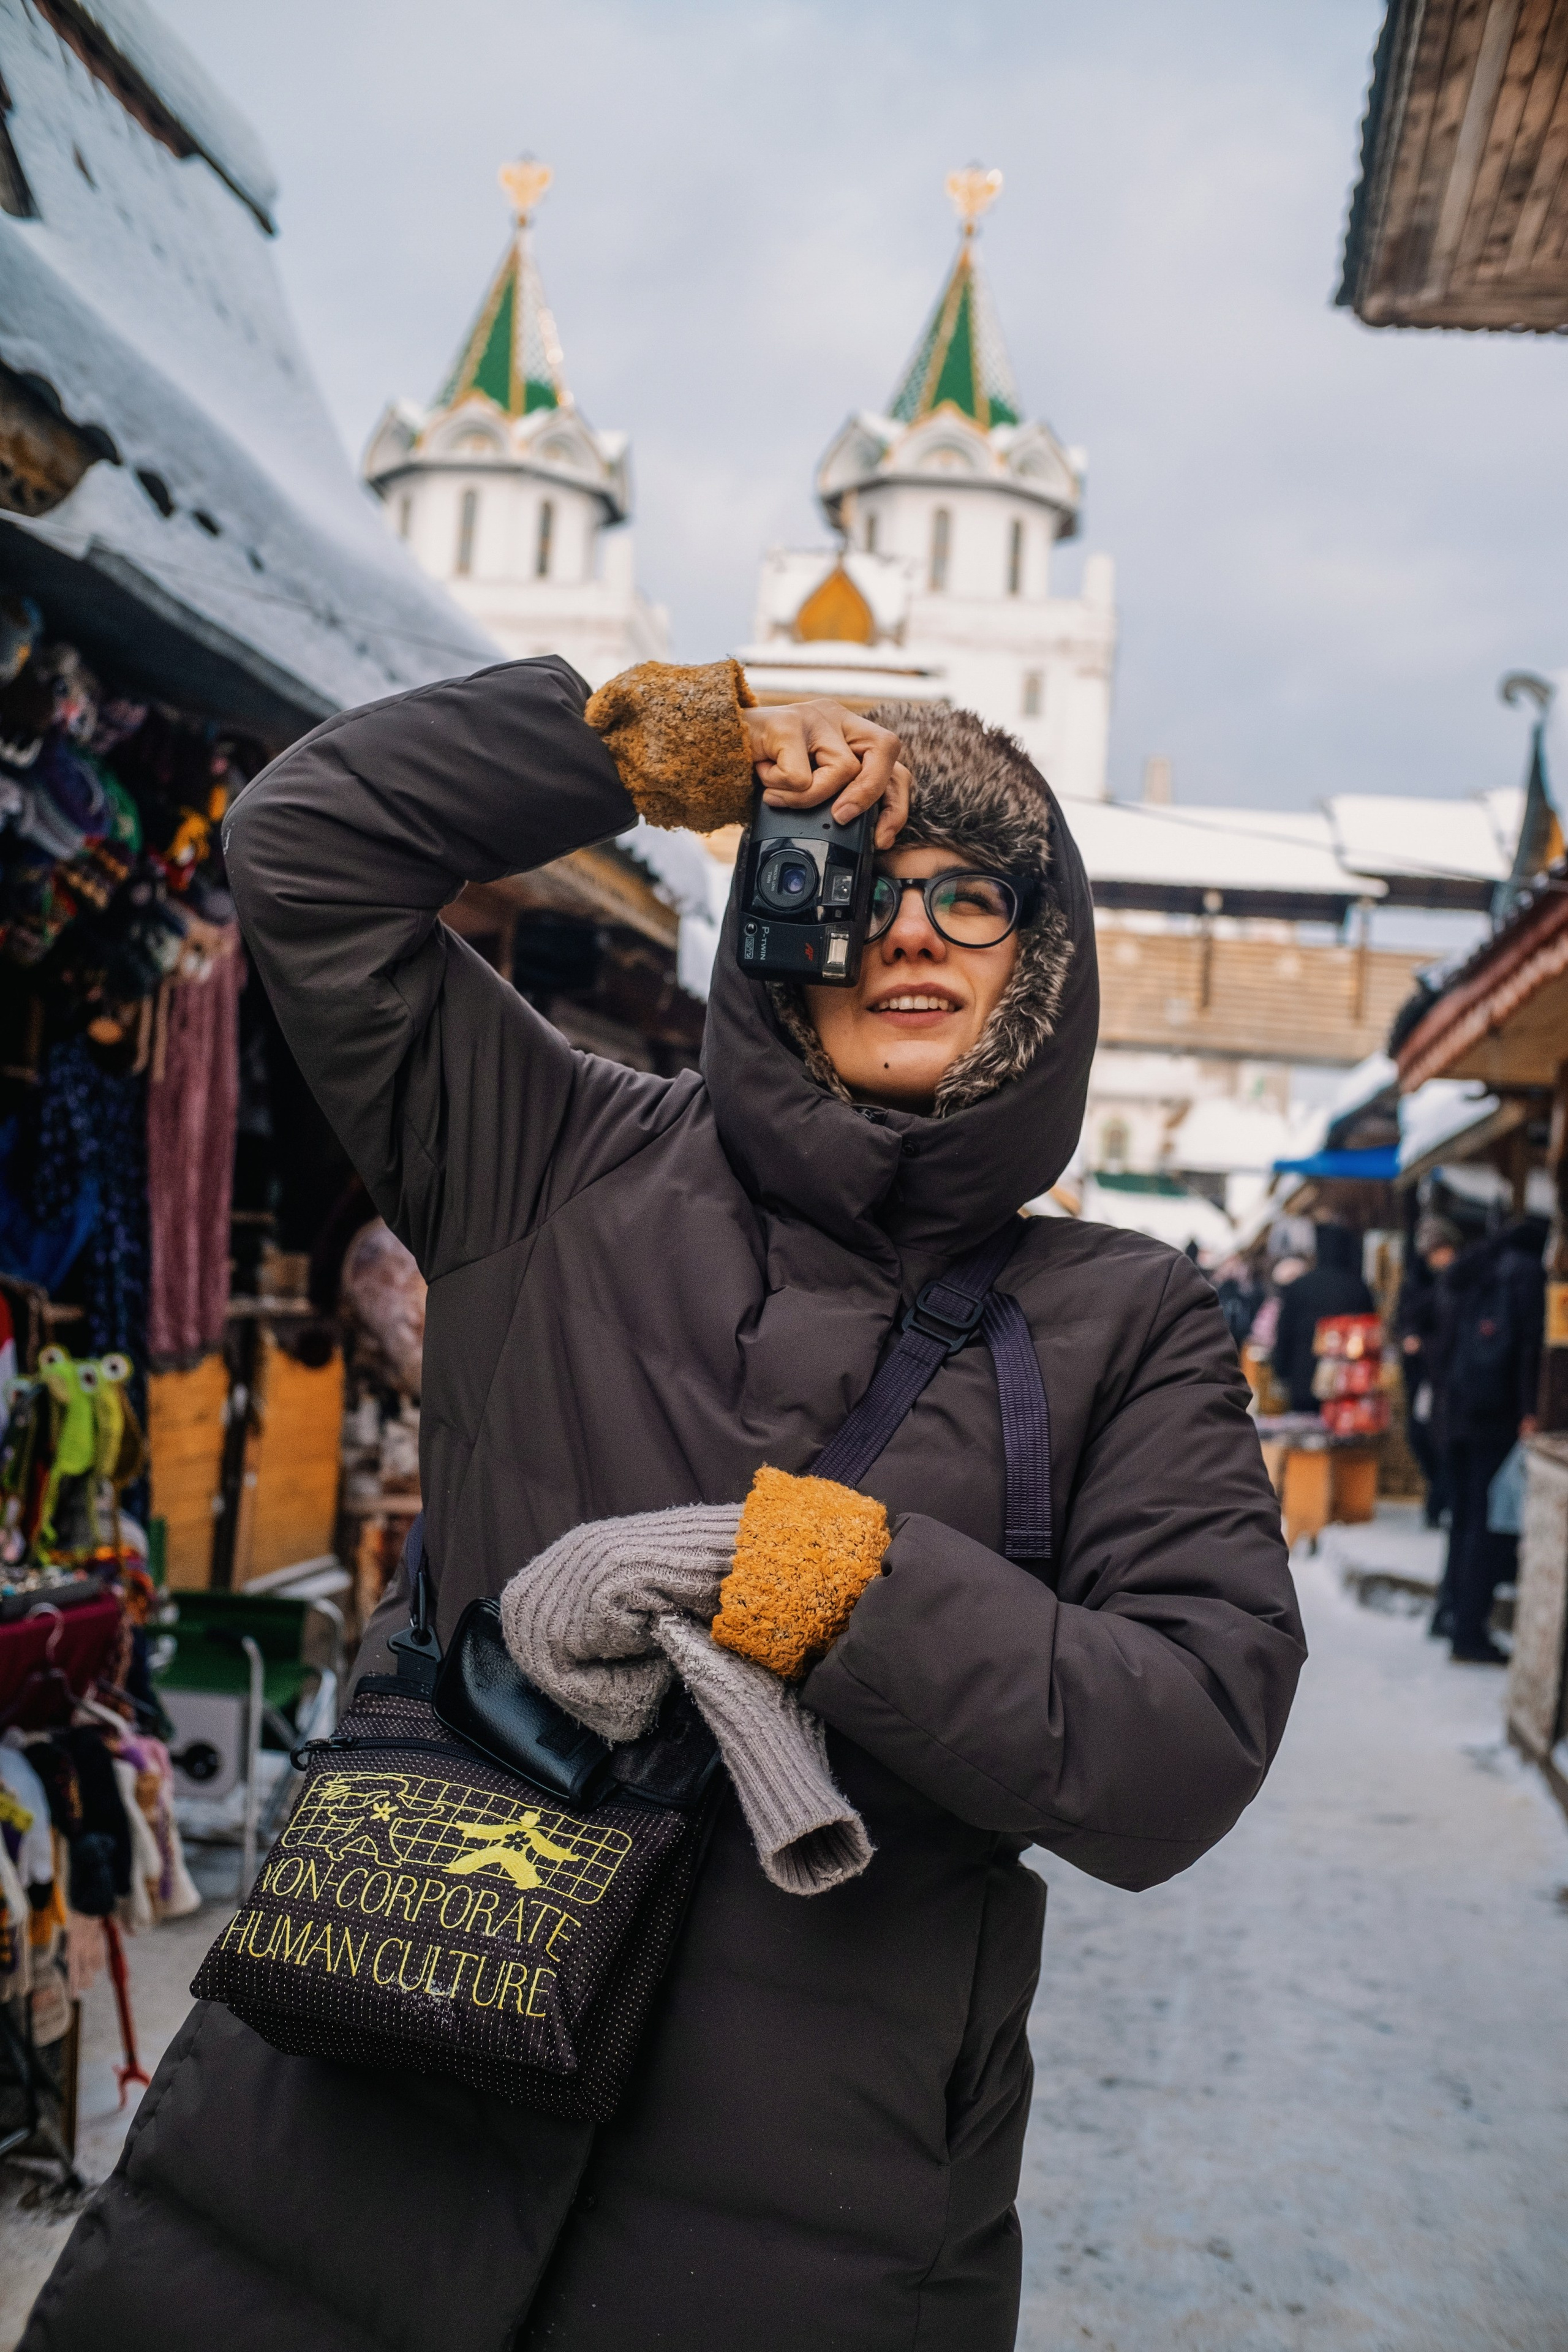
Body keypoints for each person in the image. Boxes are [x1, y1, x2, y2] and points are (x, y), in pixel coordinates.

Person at [23, 660, 1305, 2352]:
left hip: (798, 2227)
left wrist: (833, 1586)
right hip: (358, 2106)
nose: (912, 934)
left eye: (974, 899)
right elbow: (306, 845)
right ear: (784, 920)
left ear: (1038, 968)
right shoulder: (549, 1150)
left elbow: (1184, 1740)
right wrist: (661, 751)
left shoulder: (1128, 1323)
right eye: (865, 886)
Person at [1430, 1219, 1545, 1665]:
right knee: (1486, 1523)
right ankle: (1470, 1630)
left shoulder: (1472, 1268)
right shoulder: (1525, 1271)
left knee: (1462, 1519)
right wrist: (1530, 1408)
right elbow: (1530, 1345)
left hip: (1456, 1411)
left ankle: (1450, 1613)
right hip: (1494, 1417)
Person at [1395, 1213, 1461, 1532]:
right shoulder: (1422, 1282)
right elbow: (1407, 1318)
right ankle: (1439, 1499)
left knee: (1436, 1438)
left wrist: (1423, 1345)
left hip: (1445, 1376)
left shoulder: (1458, 1283)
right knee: (1422, 1436)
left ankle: (1440, 1501)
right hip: (1426, 1377)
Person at [1271, 1223, 1375, 1414]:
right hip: (1349, 1389)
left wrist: (1282, 1372)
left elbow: (1284, 1334)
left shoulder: (1298, 1288)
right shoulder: (1359, 1289)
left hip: (1303, 1383)